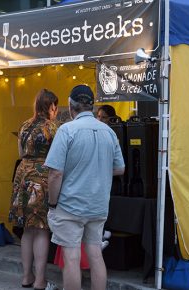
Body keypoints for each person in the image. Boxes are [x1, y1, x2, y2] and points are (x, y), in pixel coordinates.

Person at [45, 85, 125, 290]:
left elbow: (55, 173)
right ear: (92, 105)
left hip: (70, 205)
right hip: (98, 204)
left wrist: (52, 203)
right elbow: (120, 168)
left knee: (71, 257)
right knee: (95, 254)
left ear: (71, 107)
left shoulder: (66, 130)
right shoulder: (109, 132)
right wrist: (96, 169)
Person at [9, 89, 59, 290]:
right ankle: (40, 280)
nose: (55, 111)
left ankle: (26, 276)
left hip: (22, 177)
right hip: (42, 177)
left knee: (27, 230)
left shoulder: (24, 125)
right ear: (50, 106)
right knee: (41, 230)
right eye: (55, 106)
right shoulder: (52, 127)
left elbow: (21, 153)